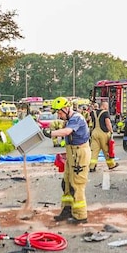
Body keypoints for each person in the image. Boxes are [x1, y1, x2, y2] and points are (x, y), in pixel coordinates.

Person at [48, 96, 92, 225]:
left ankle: (80, 215)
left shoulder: (76, 118)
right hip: (72, 154)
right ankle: (67, 210)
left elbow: (67, 132)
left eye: (60, 112)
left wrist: (50, 133)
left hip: (80, 154)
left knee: (77, 184)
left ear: (66, 109)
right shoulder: (69, 119)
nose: (59, 115)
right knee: (66, 182)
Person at [88, 97, 117, 172]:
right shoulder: (105, 113)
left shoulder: (92, 112)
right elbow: (108, 123)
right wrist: (111, 131)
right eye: (107, 107)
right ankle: (111, 165)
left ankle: (92, 167)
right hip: (103, 133)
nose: (107, 108)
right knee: (106, 150)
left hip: (94, 133)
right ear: (104, 106)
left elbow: (89, 120)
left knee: (94, 151)